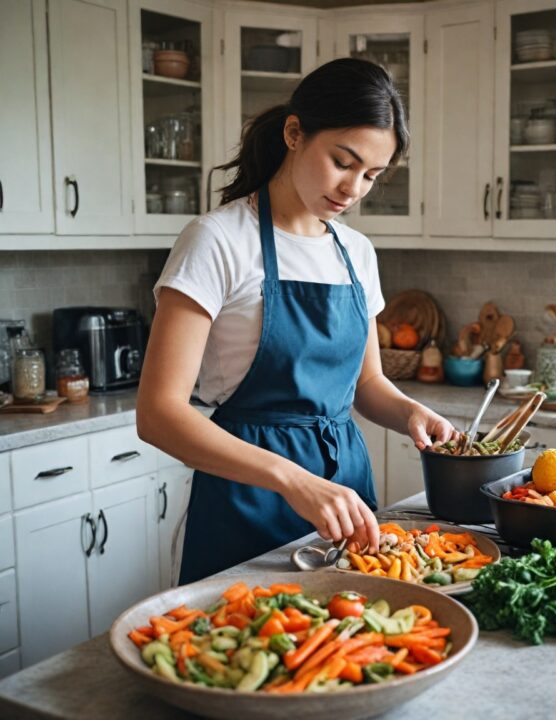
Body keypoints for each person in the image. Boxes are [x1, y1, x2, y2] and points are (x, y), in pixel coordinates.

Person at [136, 58, 455, 585]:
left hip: (345, 497)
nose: (353, 188)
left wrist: (412, 413)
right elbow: (159, 413)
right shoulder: (218, 240)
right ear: (294, 132)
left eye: (371, 175)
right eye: (342, 162)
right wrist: (293, 481)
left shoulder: (356, 251)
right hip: (247, 502)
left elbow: (366, 384)